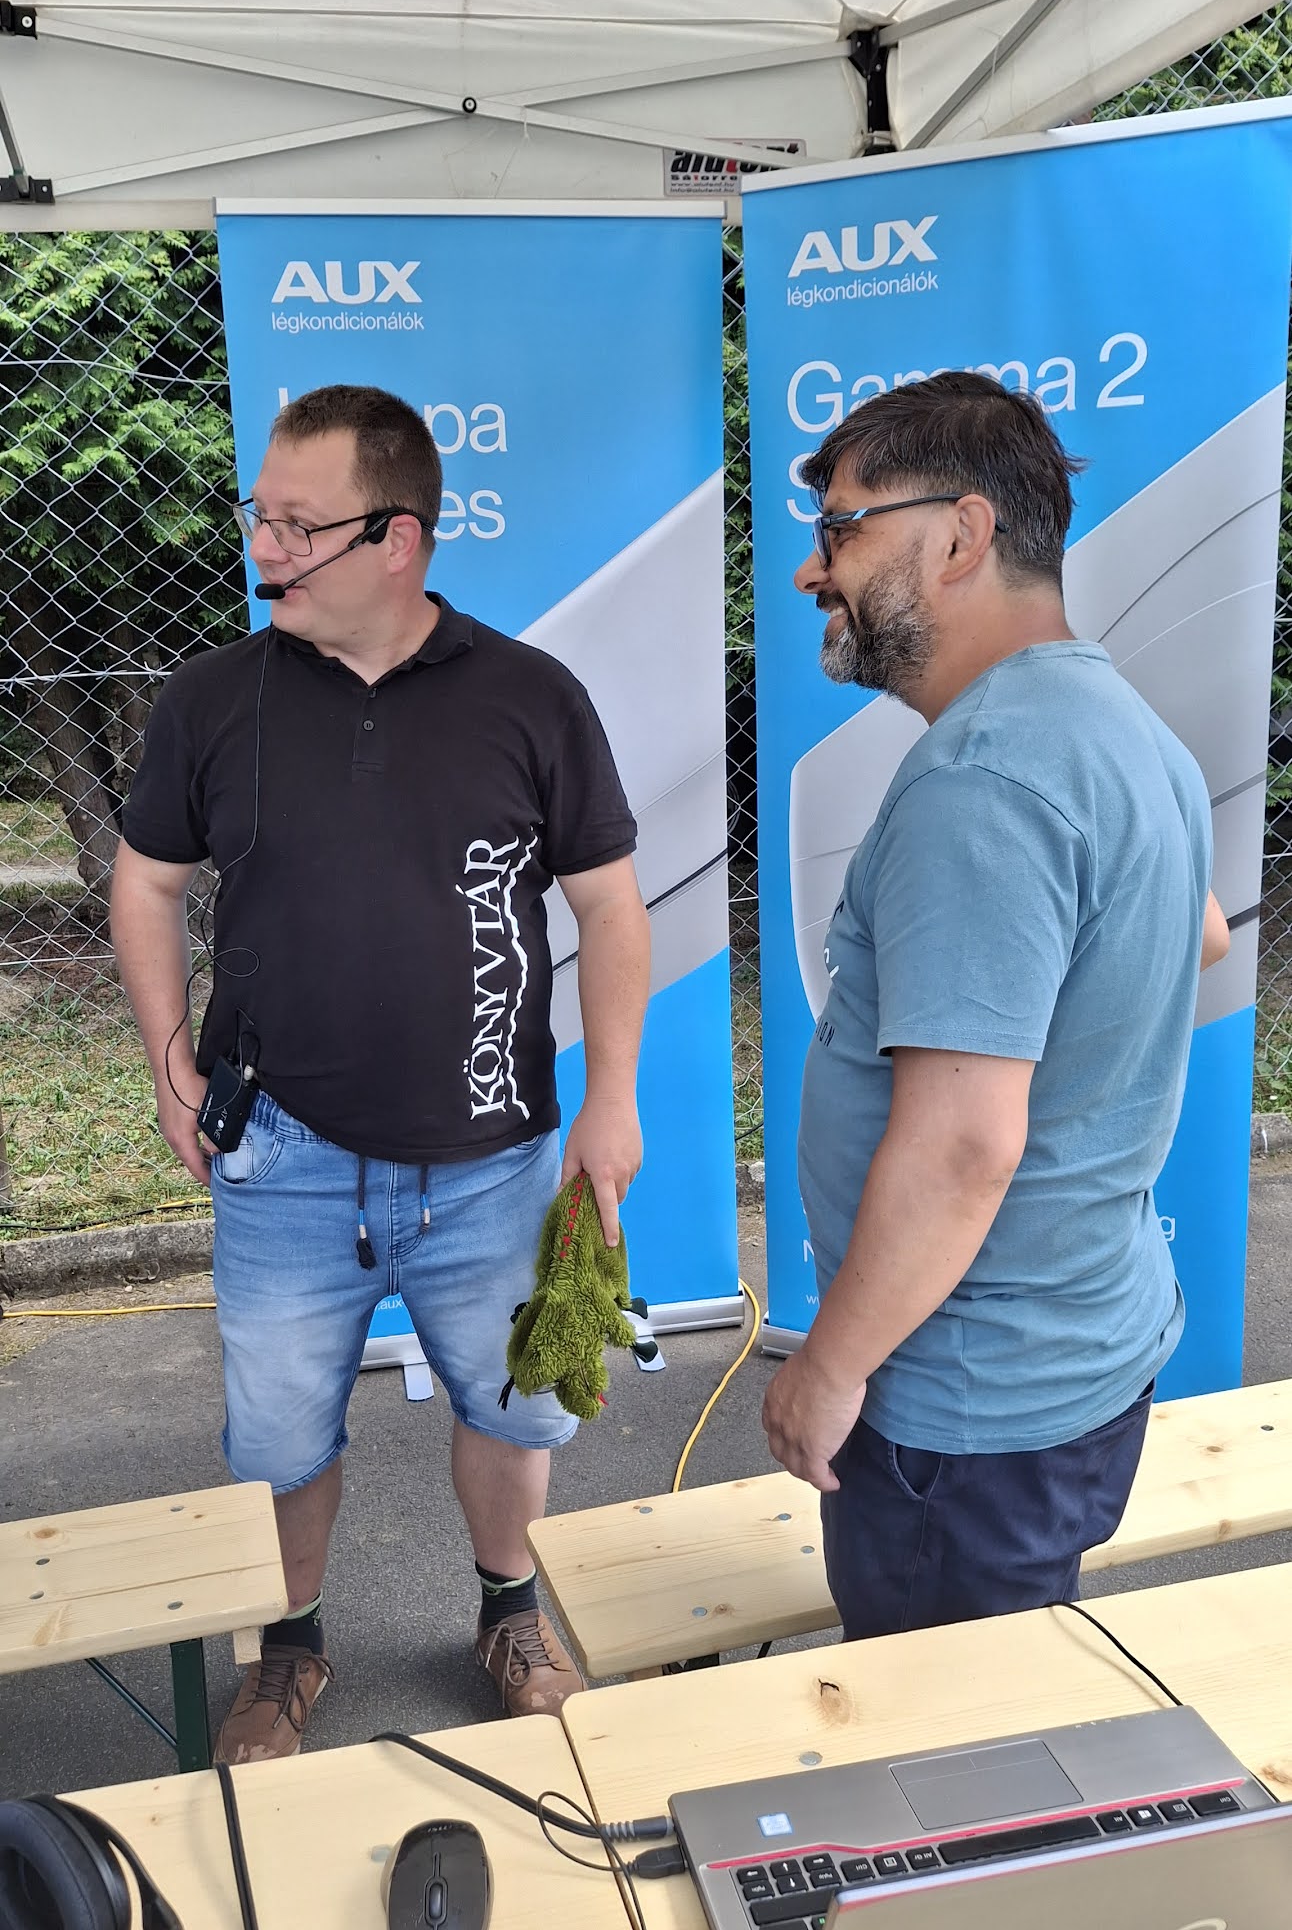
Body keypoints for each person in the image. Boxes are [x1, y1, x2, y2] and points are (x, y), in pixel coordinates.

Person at [111, 383, 650, 1757]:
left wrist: (614, 1100)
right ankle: (287, 1649)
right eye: (260, 516)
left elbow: (609, 908)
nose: (263, 547)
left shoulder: (531, 697)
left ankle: (509, 1610)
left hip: (496, 1162)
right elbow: (146, 883)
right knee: (278, 1441)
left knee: (517, 1406)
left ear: (397, 537)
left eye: (298, 525)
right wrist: (172, 1072)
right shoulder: (211, 701)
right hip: (282, 1158)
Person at [762, 370, 1230, 1639]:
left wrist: (827, 1366)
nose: (811, 570)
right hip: (1072, 1351)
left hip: (965, 1412)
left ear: (960, 534)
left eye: (840, 529)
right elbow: (1194, 932)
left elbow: (964, 1144)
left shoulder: (981, 778)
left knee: (950, 1744)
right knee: (1009, 1688)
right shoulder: (1114, 722)